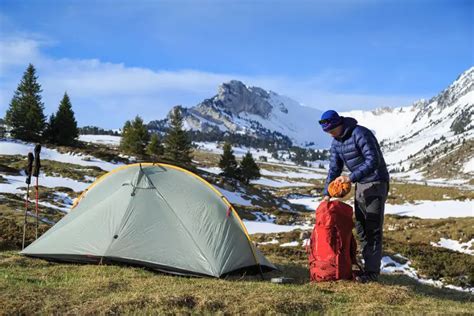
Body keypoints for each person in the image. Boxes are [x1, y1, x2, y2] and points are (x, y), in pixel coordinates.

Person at [319, 110, 390, 283]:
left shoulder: (361, 134)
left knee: (372, 228)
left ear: (338, 124)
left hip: (376, 182)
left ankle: (372, 274)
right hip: (360, 185)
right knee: (360, 228)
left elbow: (373, 160)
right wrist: (327, 194)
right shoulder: (336, 142)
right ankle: (366, 270)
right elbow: (334, 168)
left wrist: (350, 177)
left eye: (331, 131)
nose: (330, 135)